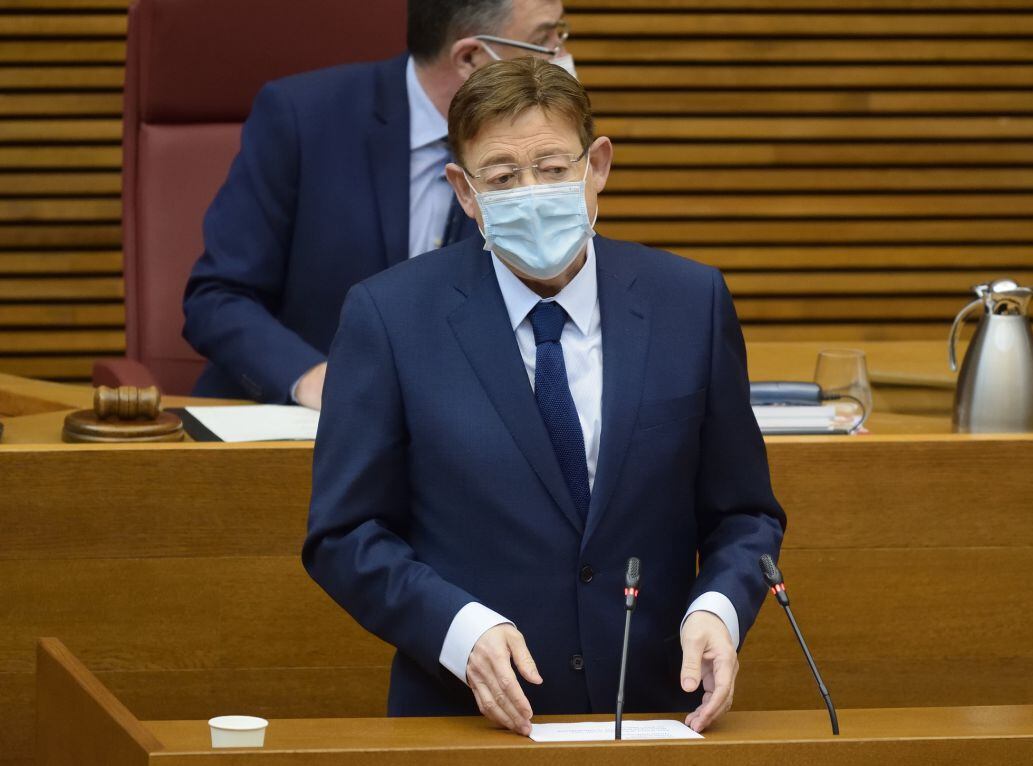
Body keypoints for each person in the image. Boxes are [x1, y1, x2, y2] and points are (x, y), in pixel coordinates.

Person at [303, 59, 786, 736]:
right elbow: (344, 534)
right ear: (464, 193)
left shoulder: (690, 302)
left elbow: (743, 515)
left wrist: (719, 609)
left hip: (652, 715)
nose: (532, 193)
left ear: (598, 166)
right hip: (467, 722)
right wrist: (459, 629)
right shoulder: (390, 317)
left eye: (554, 168)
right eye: (502, 178)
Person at [182, 0, 573, 407]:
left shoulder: (546, 155)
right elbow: (218, 298)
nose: (561, 58)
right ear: (472, 57)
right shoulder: (301, 119)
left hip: (464, 432)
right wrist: (312, 380)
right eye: (542, 40)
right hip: (301, 434)